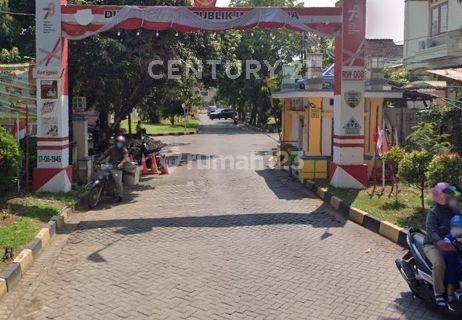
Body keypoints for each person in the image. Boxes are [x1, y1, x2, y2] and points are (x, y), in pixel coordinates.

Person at [423, 182, 461, 307]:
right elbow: (432, 233)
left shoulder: (454, 211)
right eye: (449, 196)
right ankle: (438, 293)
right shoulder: (433, 214)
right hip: (432, 245)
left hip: (452, 243)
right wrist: (442, 244)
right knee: (440, 264)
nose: (452, 199)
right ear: (442, 198)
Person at [98, 135, 130, 201]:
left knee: (118, 182)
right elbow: (105, 154)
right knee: (101, 175)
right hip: (110, 165)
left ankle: (120, 196)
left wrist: (120, 164)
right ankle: (105, 191)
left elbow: (125, 158)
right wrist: (99, 160)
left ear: (123, 143)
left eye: (121, 143)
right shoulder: (112, 148)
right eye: (118, 142)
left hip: (118, 168)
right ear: (116, 142)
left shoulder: (124, 150)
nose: (119, 144)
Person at [439, 215, 462, 305]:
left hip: (458, 259)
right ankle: (450, 298)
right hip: (450, 259)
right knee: (451, 275)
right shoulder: (448, 238)